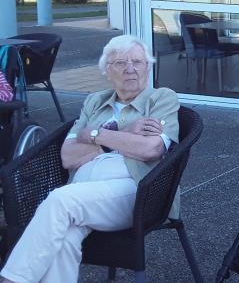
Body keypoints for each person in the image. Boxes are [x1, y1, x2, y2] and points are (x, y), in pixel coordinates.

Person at [0, 35, 179, 283]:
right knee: (65, 238)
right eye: (120, 63)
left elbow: (151, 149)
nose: (130, 69)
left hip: (137, 193)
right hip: (83, 192)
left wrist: (94, 135)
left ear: (148, 67)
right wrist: (124, 134)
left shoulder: (161, 99)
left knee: (60, 200)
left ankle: (12, 279)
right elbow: (68, 156)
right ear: (107, 70)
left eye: (138, 62)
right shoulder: (95, 101)